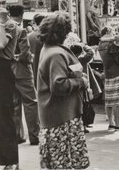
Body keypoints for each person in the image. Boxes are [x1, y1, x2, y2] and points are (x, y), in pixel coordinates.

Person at [37, 12, 89, 169]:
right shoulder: (56, 54)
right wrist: (80, 82)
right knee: (63, 162)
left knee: (60, 162)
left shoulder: (48, 49)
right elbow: (58, 85)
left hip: (57, 116)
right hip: (61, 118)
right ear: (62, 33)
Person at [0, 0, 19, 169]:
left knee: (4, 116)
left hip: (2, 70)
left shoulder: (9, 24)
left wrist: (1, 22)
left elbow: (0, 46)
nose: (1, 6)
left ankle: (10, 161)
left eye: (3, 2)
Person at [8, 5, 40, 146]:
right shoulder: (20, 31)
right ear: (21, 15)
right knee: (31, 103)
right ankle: (34, 136)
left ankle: (17, 135)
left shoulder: (2, 30)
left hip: (8, 72)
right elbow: (25, 54)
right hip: (22, 71)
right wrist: (30, 57)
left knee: (14, 104)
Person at [98, 26, 119, 131]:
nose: (114, 33)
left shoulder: (101, 44)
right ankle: (117, 123)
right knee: (117, 101)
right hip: (117, 73)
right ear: (107, 31)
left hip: (108, 73)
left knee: (109, 100)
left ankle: (111, 123)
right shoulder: (113, 44)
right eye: (112, 31)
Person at [28, 14, 46, 88]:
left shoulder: (29, 36)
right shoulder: (47, 36)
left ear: (35, 22)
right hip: (44, 64)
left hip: (32, 65)